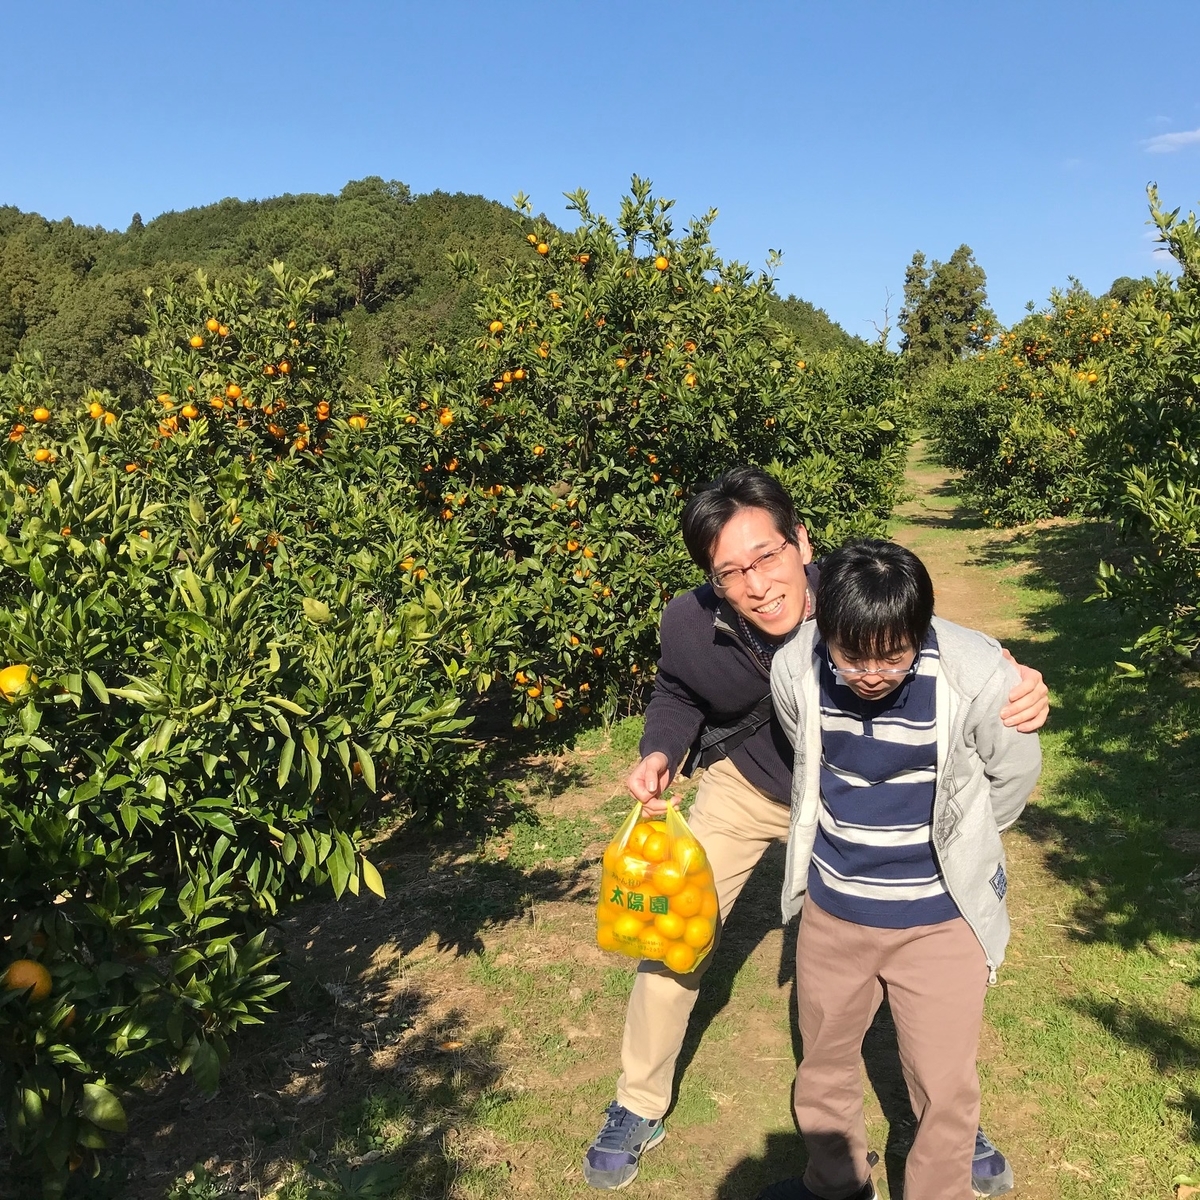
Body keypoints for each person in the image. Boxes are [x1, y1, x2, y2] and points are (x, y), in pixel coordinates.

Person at [582, 467, 1048, 1194]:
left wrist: (1017, 685)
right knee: (674, 930)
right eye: (730, 572)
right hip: (749, 787)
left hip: (850, 803)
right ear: (712, 577)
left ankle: (949, 1123)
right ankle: (637, 1101)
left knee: (921, 979)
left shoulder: (854, 594)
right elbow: (675, 692)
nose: (758, 585)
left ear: (801, 542)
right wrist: (660, 751)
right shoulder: (687, 622)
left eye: (767, 558)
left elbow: (941, 655)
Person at [767, 539, 1041, 1200]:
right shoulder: (793, 669)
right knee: (825, 1065)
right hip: (836, 913)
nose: (872, 673)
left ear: (920, 632)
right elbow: (801, 748)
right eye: (852, 655)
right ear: (824, 629)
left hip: (940, 923)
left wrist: (966, 842)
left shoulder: (975, 673)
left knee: (945, 1085)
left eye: (894, 655)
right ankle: (836, 1185)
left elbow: (1015, 771)